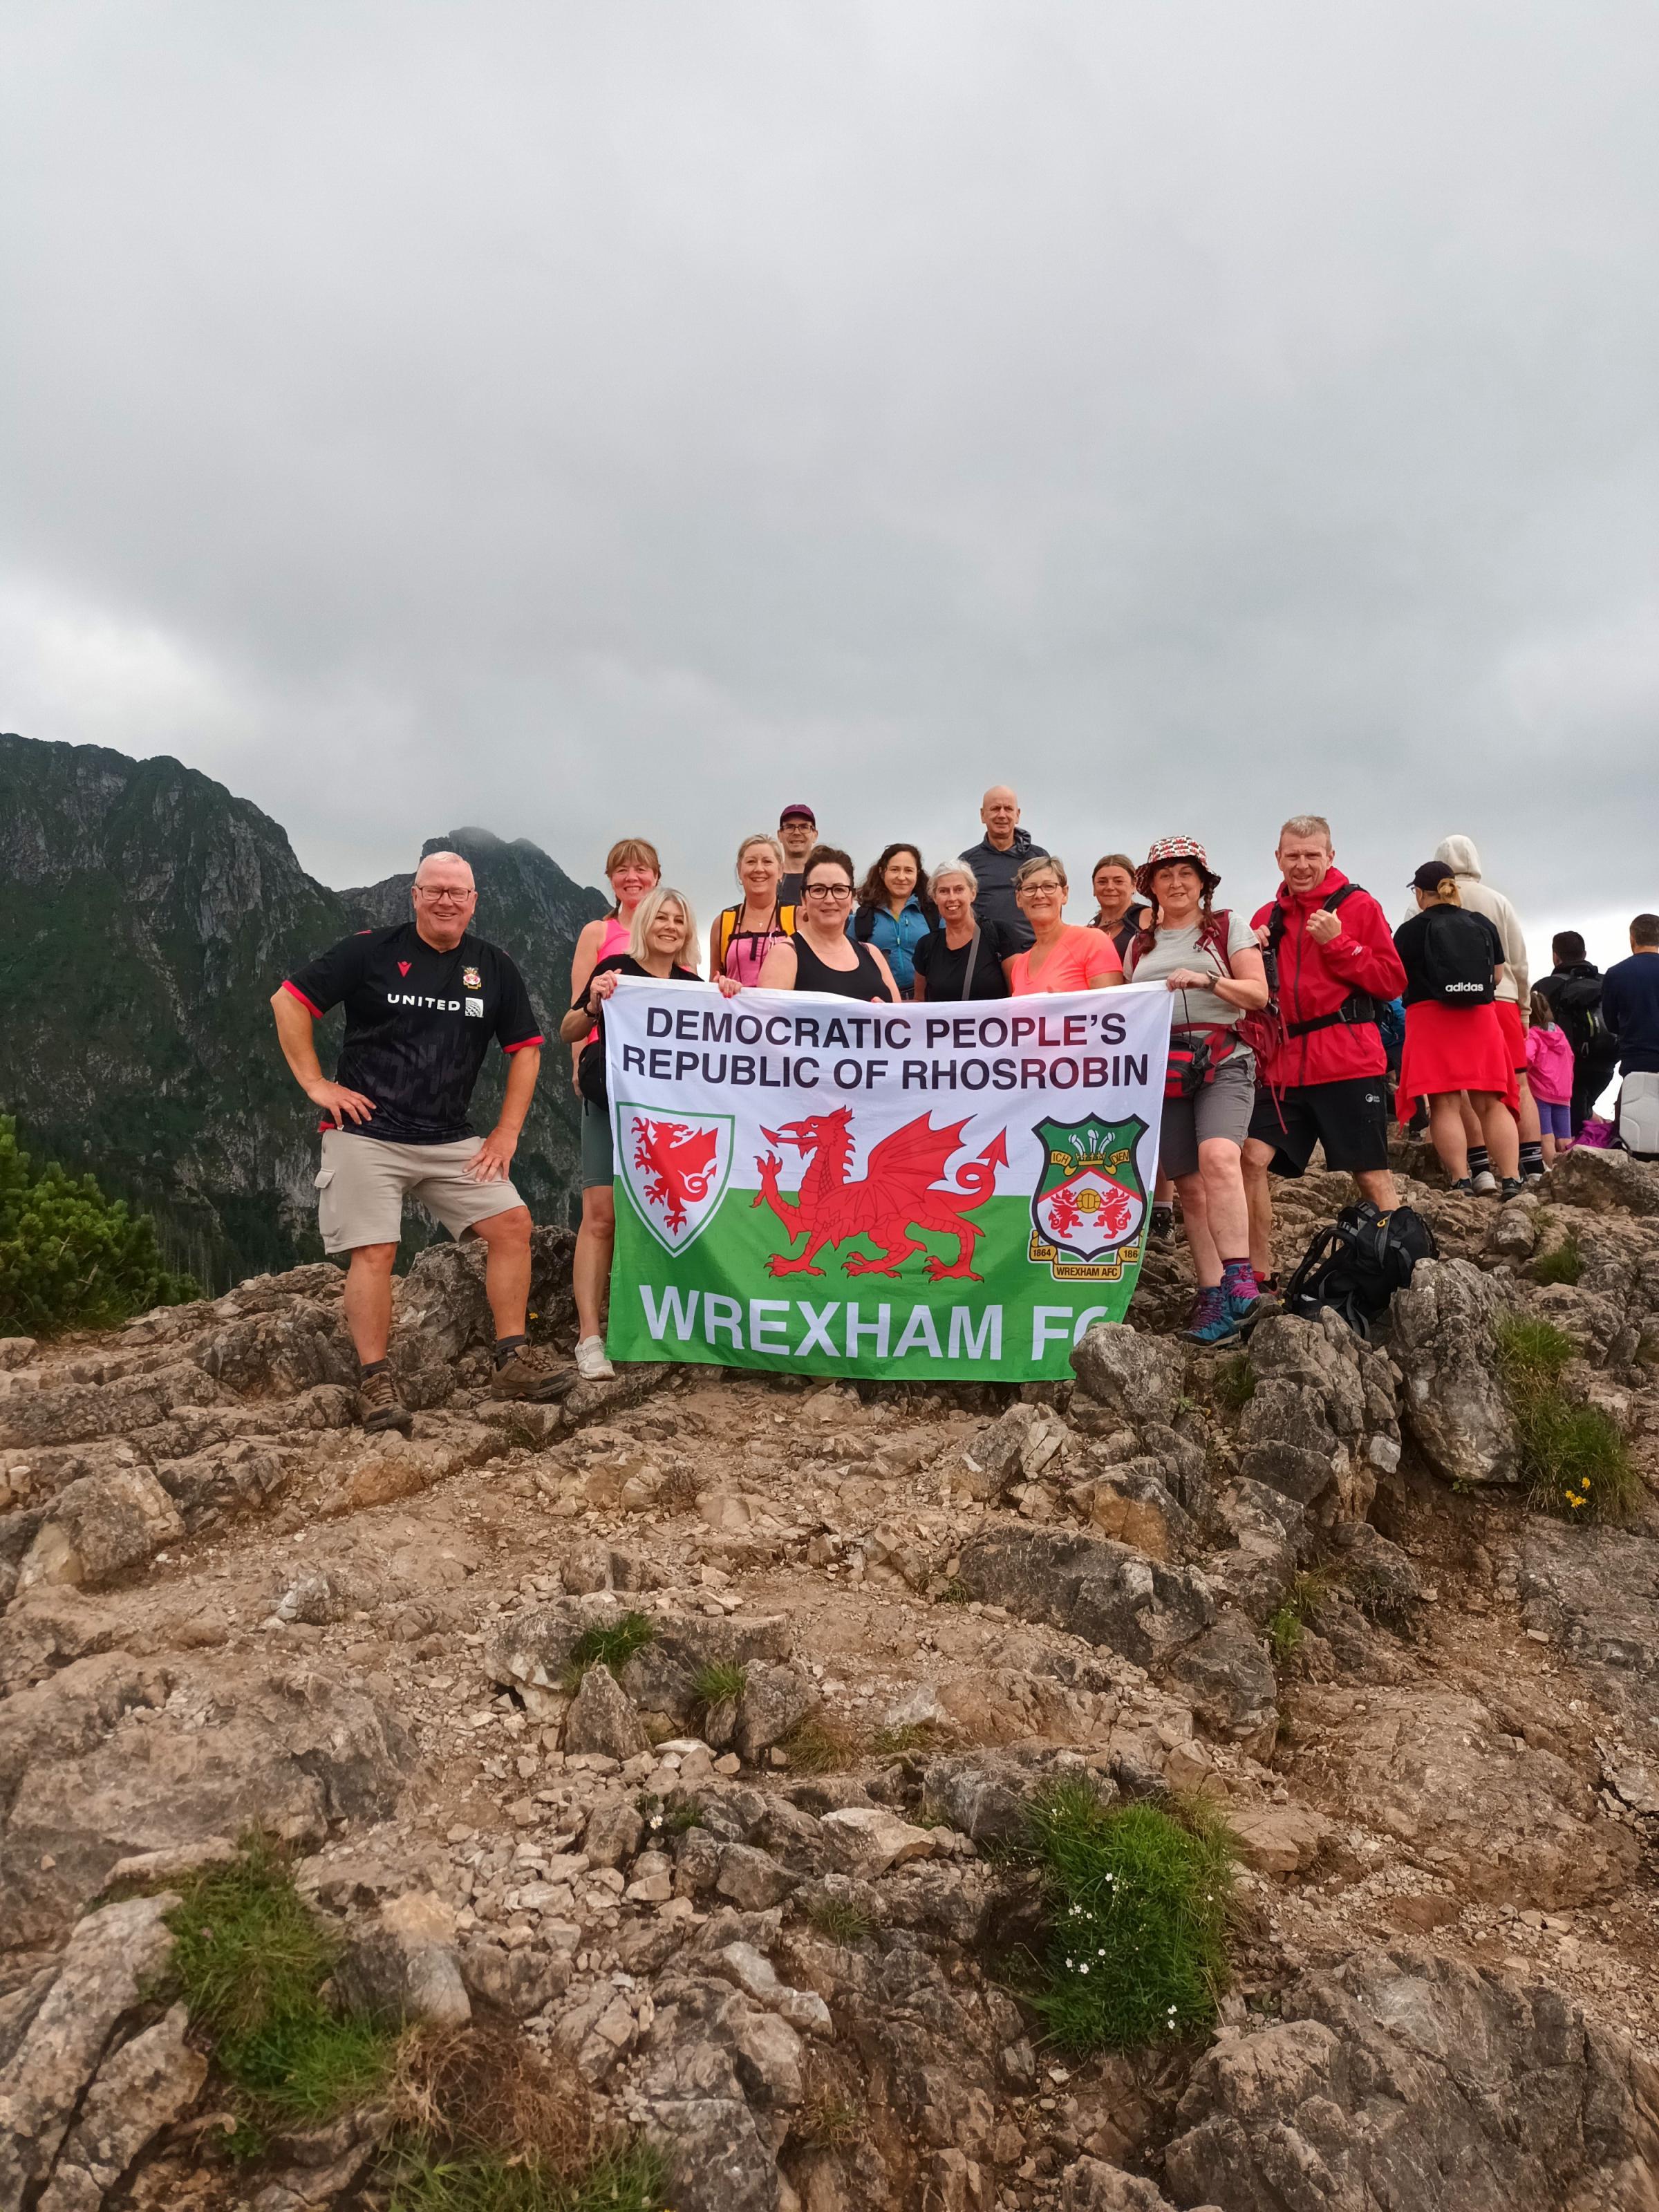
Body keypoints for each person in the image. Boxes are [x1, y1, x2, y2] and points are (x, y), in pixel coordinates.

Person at [271, 850, 568, 1434]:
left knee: (512, 1226)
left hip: (449, 1137)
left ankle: (512, 1357)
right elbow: (289, 1000)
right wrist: (315, 1084)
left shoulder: (494, 966)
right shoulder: (369, 950)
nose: (446, 901)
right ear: (415, 895)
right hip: (366, 1132)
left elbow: (527, 1049)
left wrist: (506, 1132)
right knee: (376, 1250)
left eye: (458, 893)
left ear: (474, 901)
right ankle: (376, 1380)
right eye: (434, 891)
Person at [561, 888, 739, 1379]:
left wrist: (726, 996)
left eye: (679, 920)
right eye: (661, 917)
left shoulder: (691, 984)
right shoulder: (618, 968)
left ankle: (663, 1329)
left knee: (669, 1217)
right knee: (600, 1219)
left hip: (668, 1121)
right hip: (608, 1104)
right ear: (645, 923)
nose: (669, 926)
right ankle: (589, 1338)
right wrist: (596, 1002)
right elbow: (567, 1031)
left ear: (688, 930)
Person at [1241, 815, 1406, 1291]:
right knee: (1249, 1158)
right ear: (1278, 858)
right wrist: (1250, 952)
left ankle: (1400, 1267)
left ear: (1330, 857)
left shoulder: (1358, 906)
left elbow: (1392, 982)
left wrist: (1339, 943)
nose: (1302, 864)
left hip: (1348, 1060)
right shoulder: (1264, 918)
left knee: (1371, 1176)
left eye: (1312, 855)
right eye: (1292, 855)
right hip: (1285, 1065)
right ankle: (1258, 1271)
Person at [1124, 837, 1270, 1343]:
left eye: (1187, 874)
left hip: (1225, 1057)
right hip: (1166, 1069)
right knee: (1188, 1185)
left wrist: (1208, 981)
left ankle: (1240, 1280)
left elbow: (1257, 994)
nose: (1177, 883)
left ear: (1203, 883)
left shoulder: (1228, 928)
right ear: (1152, 887)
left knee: (1220, 1158)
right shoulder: (1139, 945)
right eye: (1166, 875)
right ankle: (1213, 1298)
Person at [1394, 862, 1521, 1197]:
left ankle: (1461, 1179)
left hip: (1429, 1019)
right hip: (1479, 1017)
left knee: (1444, 1104)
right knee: (1492, 1103)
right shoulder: (1481, 923)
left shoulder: (1409, 931)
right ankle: (1511, 1178)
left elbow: (1398, 980)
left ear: (1420, 893)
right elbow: (1496, 977)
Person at [1424, 836, 1542, 1188]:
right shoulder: (1497, 901)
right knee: (1517, 1083)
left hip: (1448, 1004)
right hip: (1502, 999)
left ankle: (1479, 1168)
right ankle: (1531, 1162)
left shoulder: (1426, 901)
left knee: (1460, 1089)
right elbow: (1518, 961)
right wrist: (1524, 1010)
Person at [568, 838, 661, 1092]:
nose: (632, 877)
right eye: (622, 870)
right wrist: (578, 1062)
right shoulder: (596, 933)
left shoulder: (673, 933)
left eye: (641, 869)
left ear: (656, 877)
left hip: (661, 1061)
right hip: (604, 1059)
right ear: (611, 879)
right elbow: (579, 1000)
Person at [757, 846, 901, 1000]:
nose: (830, 900)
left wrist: (883, 1015)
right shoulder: (785, 955)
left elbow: (902, 1020)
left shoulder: (872, 954)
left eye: (839, 890)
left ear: (851, 898)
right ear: (804, 899)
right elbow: (767, 1020)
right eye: (819, 890)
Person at [1536, 932, 1620, 1135]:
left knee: (1565, 1124)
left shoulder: (1546, 986)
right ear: (1584, 953)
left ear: (1556, 956)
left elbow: (1536, 1028)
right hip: (1606, 1064)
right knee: (1581, 1114)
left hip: (1566, 1070)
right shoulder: (1606, 981)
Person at [1006, 856, 1124, 993]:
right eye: (1030, 888)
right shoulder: (1019, 966)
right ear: (1019, 899)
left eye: (1049, 887)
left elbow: (1113, 1008)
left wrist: (1064, 1005)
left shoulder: (1093, 941)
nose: (1039, 895)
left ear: (1064, 894)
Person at [960, 786, 1048, 951]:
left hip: (1033, 951)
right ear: (982, 815)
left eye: (1008, 809)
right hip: (984, 953)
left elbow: (1053, 904)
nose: (1002, 815)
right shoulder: (967, 862)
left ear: (1018, 814)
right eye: (995, 809)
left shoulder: (1039, 858)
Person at [912, 861, 1013, 1000]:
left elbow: (1018, 996)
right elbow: (919, 1003)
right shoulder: (926, 946)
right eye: (943, 891)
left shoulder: (999, 934)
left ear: (973, 893)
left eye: (959, 889)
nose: (952, 898)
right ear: (935, 898)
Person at [1602, 914, 1659, 1159]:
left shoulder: (1616, 974)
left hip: (1636, 1056)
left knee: (1632, 1117)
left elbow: (1611, 1021)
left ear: (1632, 938)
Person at [710, 834, 797, 984]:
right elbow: (713, 983)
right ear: (739, 870)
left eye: (767, 861)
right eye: (751, 862)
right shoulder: (723, 922)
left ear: (781, 871)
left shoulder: (798, 918)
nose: (759, 869)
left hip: (782, 1008)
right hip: (733, 1008)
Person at [850, 843, 936, 995]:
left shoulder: (933, 914)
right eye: (895, 870)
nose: (901, 877)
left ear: (918, 873)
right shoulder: (862, 918)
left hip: (927, 1002)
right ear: (883, 872)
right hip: (879, 1002)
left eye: (908, 870)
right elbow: (848, 959)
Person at [1525, 991, 1575, 1165]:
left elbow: (1526, 1057)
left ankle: (1553, 1173)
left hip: (1541, 1093)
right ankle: (1568, 1170)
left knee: (1546, 1137)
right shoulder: (1560, 1033)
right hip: (1563, 1093)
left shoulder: (1533, 1034)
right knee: (1564, 1139)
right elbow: (1570, 1057)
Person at [1087, 853, 1147, 962]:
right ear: (1094, 888)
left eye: (1119, 881)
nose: (1110, 887)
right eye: (1102, 882)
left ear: (1134, 885)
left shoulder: (1147, 917)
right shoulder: (1089, 930)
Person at [778, 804, 818, 905]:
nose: (796, 833)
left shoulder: (824, 879)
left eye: (804, 827)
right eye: (789, 827)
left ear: (815, 835)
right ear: (779, 835)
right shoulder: (769, 878)